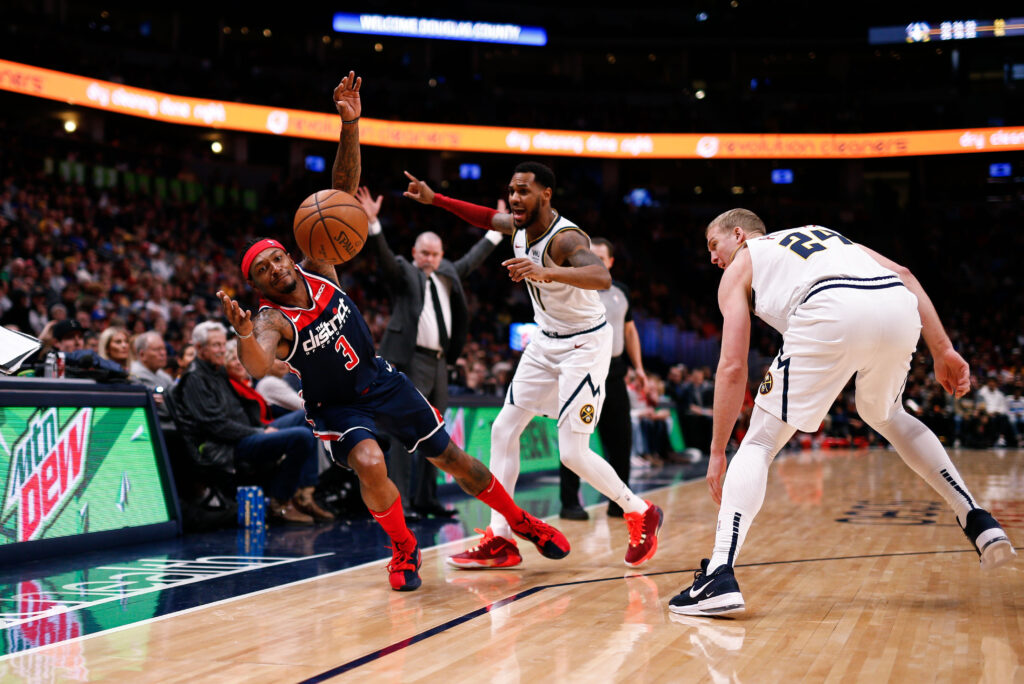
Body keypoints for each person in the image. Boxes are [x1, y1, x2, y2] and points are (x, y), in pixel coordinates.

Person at [216, 71, 569, 591]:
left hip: (382, 381)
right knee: (369, 459)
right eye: (261, 270)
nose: (272, 268)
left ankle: (519, 522)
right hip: (336, 407)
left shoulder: (321, 265)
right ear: (259, 286)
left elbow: (340, 191)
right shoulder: (270, 319)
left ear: (289, 256)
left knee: (453, 459)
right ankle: (404, 549)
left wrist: (351, 124)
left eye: (274, 258)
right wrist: (245, 332)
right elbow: (260, 365)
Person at [668, 209, 1016, 617]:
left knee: (760, 440)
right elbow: (904, 273)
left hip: (830, 305)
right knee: (885, 413)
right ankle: (976, 518)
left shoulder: (743, 262)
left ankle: (719, 574)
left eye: (714, 245)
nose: (712, 258)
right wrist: (942, 349)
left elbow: (731, 367)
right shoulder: (822, 233)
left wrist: (716, 451)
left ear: (739, 235)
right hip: (895, 305)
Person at [404, 162, 663, 569]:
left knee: (572, 453)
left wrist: (546, 271)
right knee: (503, 429)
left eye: (523, 190)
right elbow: (484, 216)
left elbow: (600, 276)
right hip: (545, 342)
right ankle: (501, 539)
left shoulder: (566, 238)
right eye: (511, 190)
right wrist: (435, 198)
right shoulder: (519, 227)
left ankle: (639, 509)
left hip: (584, 343)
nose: (514, 197)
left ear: (546, 194)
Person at [359, 185, 503, 519]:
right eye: (424, 253)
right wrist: (374, 225)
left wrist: (495, 233)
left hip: (439, 364)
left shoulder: (448, 272)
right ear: (414, 252)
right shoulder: (405, 271)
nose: (429, 259)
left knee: (436, 434)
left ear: (441, 255)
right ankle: (401, 503)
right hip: (410, 360)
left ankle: (426, 499)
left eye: (435, 254)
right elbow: (385, 263)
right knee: (402, 432)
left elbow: (472, 259)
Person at [174, 321, 323, 525]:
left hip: (246, 434)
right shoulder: (195, 378)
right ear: (199, 348)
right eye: (215, 345)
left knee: (305, 416)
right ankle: (279, 501)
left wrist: (260, 429)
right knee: (302, 437)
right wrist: (260, 432)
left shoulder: (217, 371)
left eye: (222, 344)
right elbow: (216, 426)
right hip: (225, 447)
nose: (221, 350)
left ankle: (304, 493)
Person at [559, 237, 648, 520]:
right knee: (574, 440)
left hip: (614, 371)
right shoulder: (571, 287)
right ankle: (570, 502)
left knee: (621, 441)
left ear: (609, 262)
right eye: (589, 256)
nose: (594, 261)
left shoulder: (621, 291)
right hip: (580, 370)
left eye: (600, 257)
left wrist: (639, 367)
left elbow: (630, 331)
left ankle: (619, 502)